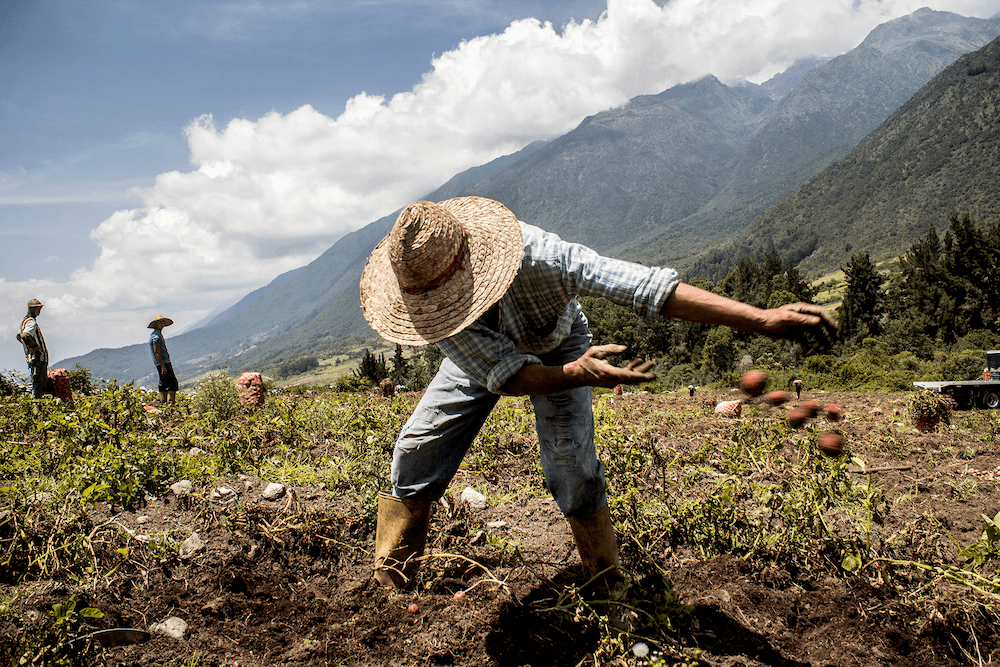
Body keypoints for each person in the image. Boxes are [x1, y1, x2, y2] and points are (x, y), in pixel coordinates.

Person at [359, 196, 836, 596]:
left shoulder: (542, 259)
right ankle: (392, 581)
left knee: (571, 466)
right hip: (485, 359)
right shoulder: (431, 307)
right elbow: (508, 375)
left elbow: (646, 288)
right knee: (417, 448)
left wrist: (759, 318)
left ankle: (607, 586)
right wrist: (577, 374)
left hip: (559, 342)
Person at [17, 298, 49, 398]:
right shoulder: (31, 322)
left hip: (34, 359)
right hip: (38, 358)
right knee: (39, 386)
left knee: (36, 384)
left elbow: (19, 336)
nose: (39, 311)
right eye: (37, 309)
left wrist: (27, 347)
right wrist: (34, 347)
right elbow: (25, 336)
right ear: (32, 309)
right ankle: (35, 407)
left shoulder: (25, 322)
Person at [148, 315, 178, 406]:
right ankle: (171, 404)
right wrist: (163, 366)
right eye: (160, 322)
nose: (162, 324)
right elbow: (157, 352)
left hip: (162, 362)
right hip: (163, 362)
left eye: (162, 322)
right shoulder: (155, 337)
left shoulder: (157, 335)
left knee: (163, 383)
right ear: (156, 324)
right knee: (173, 383)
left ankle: (163, 402)